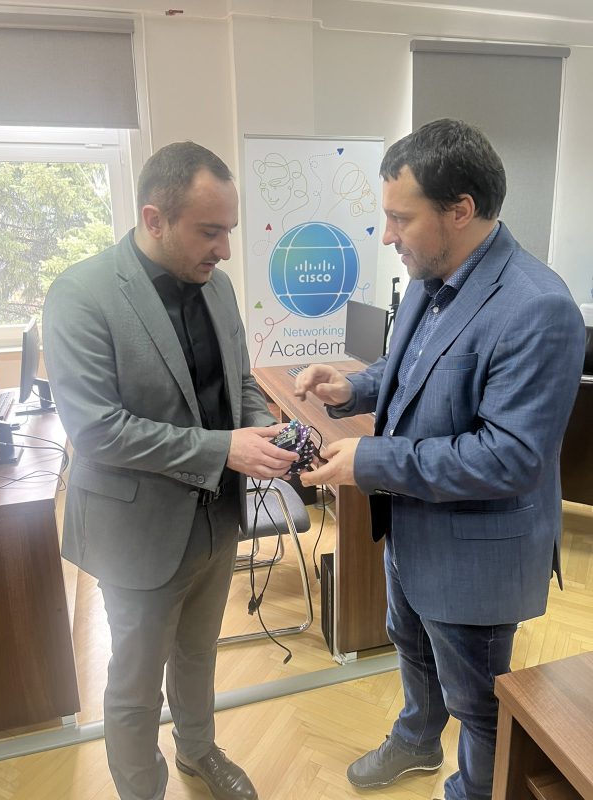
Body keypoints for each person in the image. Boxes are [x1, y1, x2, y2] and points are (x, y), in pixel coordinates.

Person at [295, 119, 585, 800]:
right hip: (413, 528)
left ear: (460, 210)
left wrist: (371, 460)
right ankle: (417, 741)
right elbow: (412, 370)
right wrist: (353, 388)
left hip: (477, 553)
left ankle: (471, 791)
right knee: (412, 647)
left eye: (401, 218)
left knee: (480, 703)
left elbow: (510, 458)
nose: (387, 235)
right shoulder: (431, 278)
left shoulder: (538, 308)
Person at [43, 141, 298, 800]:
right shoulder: (80, 295)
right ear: (154, 219)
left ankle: (198, 751)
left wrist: (264, 434)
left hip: (218, 517)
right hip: (138, 531)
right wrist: (224, 450)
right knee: (134, 683)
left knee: (198, 652)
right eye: (210, 231)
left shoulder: (220, 287)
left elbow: (240, 382)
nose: (225, 250)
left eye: (229, 230)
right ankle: (142, 791)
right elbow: (96, 429)